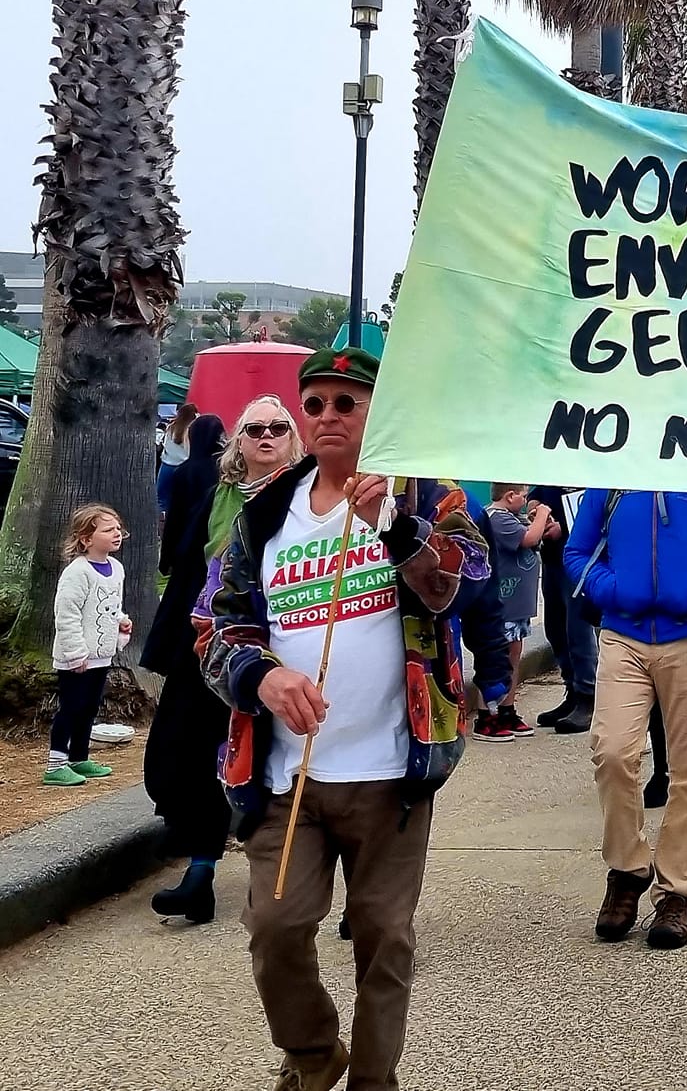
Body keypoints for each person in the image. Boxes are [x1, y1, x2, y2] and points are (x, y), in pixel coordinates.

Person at [203, 347, 471, 1091]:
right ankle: (315, 1056)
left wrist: (394, 526)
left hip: (392, 772)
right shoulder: (264, 513)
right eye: (313, 403)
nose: (326, 416)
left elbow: (462, 582)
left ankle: (374, 1081)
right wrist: (263, 675)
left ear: (376, 411)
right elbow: (216, 626)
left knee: (385, 937)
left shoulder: (426, 495)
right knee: (277, 928)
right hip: (289, 774)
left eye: (345, 402)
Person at [565, 490, 687, 951]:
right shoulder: (613, 475)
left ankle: (677, 892)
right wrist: (611, 589)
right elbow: (576, 551)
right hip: (623, 634)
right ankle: (627, 869)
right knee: (612, 751)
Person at [143, 408, 257, 920]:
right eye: (254, 428)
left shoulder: (300, 503)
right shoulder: (216, 496)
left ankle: (204, 871)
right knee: (174, 752)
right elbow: (184, 562)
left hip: (263, 654)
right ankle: (199, 865)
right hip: (199, 646)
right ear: (236, 443)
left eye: (278, 428)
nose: (266, 437)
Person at [46, 504, 131, 787]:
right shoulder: (77, 573)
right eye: (108, 530)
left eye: (118, 529)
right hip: (78, 658)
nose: (117, 534)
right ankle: (56, 763)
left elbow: (108, 606)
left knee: (89, 707)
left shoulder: (116, 569)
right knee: (72, 707)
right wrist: (75, 652)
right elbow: (67, 614)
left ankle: (79, 757)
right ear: (86, 538)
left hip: (101, 656)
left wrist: (120, 621)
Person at [478, 483, 550, 739]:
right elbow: (529, 538)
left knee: (514, 654)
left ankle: (507, 708)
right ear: (510, 496)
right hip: (503, 606)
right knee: (498, 657)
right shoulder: (496, 518)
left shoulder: (510, 517)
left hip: (517, 606)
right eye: (523, 495)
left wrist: (531, 518)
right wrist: (541, 515)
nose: (526, 500)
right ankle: (488, 714)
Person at [531, 485, 593, 734]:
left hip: (578, 558)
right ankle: (572, 691)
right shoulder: (556, 462)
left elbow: (598, 508)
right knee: (555, 629)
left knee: (578, 629)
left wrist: (564, 527)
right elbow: (538, 489)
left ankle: (588, 696)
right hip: (552, 557)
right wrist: (534, 506)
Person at [159, 401, 198, 515]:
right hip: (183, 467)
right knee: (182, 498)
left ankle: (161, 523)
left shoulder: (171, 427)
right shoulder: (191, 431)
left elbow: (165, 444)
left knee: (161, 498)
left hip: (167, 465)